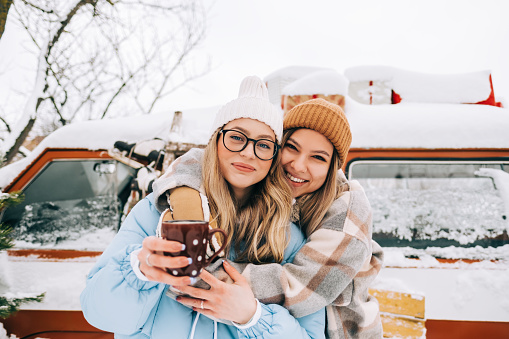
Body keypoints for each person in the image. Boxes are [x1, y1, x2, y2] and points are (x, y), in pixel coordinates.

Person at [80, 76, 326, 339]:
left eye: (264, 144)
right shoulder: (155, 214)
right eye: (236, 137)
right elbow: (100, 315)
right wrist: (138, 271)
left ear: (274, 157)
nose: (248, 152)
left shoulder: (287, 237)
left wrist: (252, 317)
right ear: (214, 141)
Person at [153, 98, 384, 338]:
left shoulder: (347, 216)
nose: (298, 165)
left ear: (333, 168)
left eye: (318, 158)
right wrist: (186, 199)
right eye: (292, 147)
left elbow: (300, 289)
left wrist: (202, 275)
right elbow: (205, 160)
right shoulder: (277, 189)